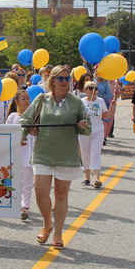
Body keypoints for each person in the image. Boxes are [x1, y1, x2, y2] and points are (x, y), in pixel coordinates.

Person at [19, 65, 90, 249]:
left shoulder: (76, 101)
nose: (65, 81)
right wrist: (22, 134)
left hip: (66, 154)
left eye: (68, 78)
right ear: (53, 80)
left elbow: (87, 127)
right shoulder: (41, 98)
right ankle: (46, 224)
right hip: (43, 152)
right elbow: (25, 120)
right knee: (40, 192)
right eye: (61, 78)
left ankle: (58, 233)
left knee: (61, 194)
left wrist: (83, 125)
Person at [79, 81, 116, 188]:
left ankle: (97, 179)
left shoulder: (100, 101)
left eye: (95, 88)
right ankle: (87, 178)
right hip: (84, 132)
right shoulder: (81, 102)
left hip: (98, 131)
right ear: (85, 90)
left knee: (95, 154)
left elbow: (106, 116)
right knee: (85, 154)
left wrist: (111, 107)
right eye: (91, 88)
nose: (93, 91)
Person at [6, 90, 34, 220]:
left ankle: (25, 207)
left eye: (28, 98)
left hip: (29, 154)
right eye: (23, 99)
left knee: (27, 182)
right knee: (14, 181)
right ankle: (14, 204)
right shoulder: (12, 117)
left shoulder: (35, 116)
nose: (27, 101)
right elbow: (6, 133)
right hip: (15, 154)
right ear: (17, 102)